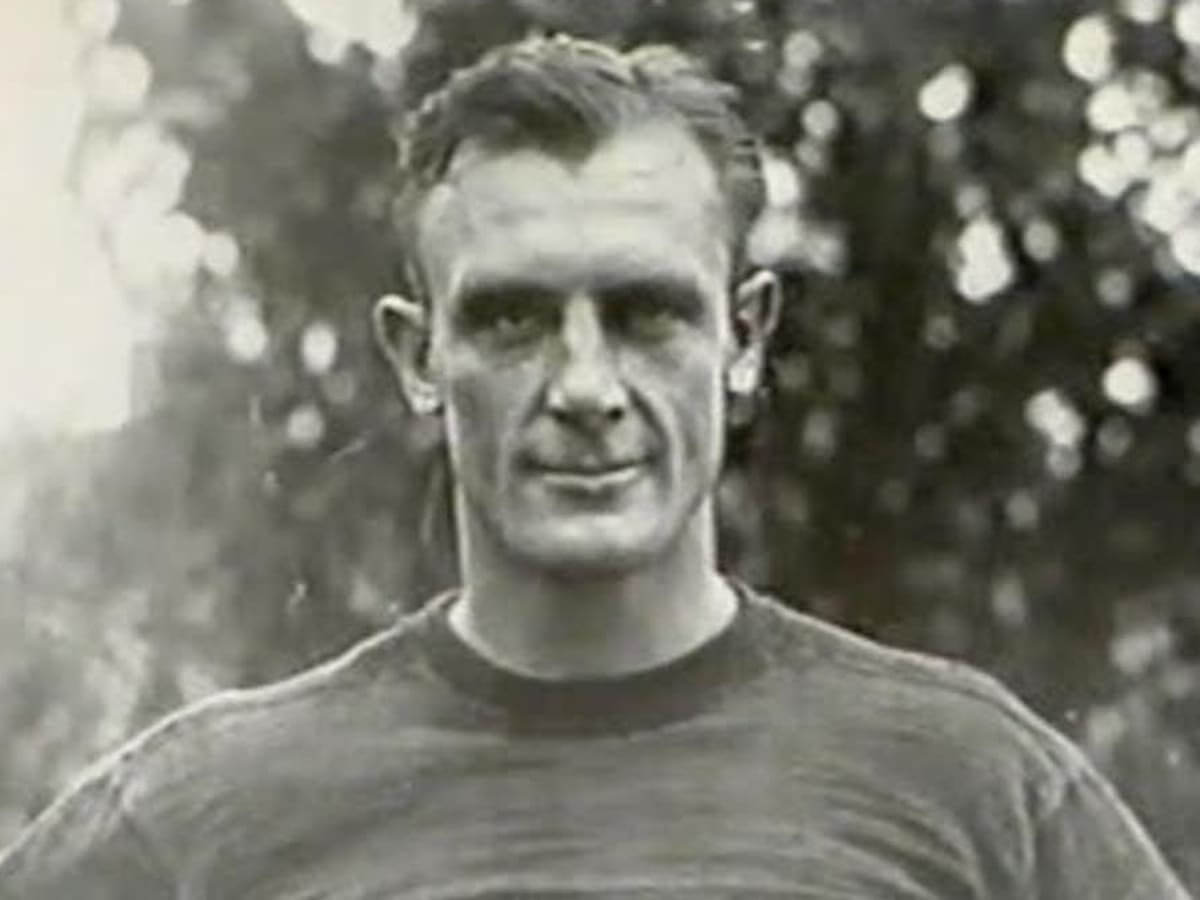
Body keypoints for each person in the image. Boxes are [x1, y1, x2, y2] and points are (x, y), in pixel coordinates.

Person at [0, 34, 1190, 900]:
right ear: (420, 357)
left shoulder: (976, 788)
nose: (584, 387)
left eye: (646, 313)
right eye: (512, 319)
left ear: (745, 337)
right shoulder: (198, 816)